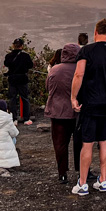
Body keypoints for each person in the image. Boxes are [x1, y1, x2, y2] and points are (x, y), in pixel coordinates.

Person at [70, 19, 106, 196]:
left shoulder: (86, 51)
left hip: (91, 103)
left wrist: (73, 97)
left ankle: (82, 183)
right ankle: (103, 180)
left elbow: (79, 74)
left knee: (87, 143)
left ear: (95, 32)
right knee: (104, 141)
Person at [45, 43, 82, 183]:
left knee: (60, 144)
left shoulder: (54, 69)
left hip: (58, 112)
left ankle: (62, 174)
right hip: (78, 112)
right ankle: (82, 171)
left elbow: (48, 87)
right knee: (81, 144)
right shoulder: (81, 69)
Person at [4, 38, 34, 125]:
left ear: (13, 45)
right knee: (25, 98)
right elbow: (30, 65)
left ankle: (14, 119)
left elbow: (6, 64)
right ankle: (26, 119)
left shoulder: (9, 56)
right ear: (22, 46)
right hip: (22, 78)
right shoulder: (26, 56)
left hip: (12, 78)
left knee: (12, 98)